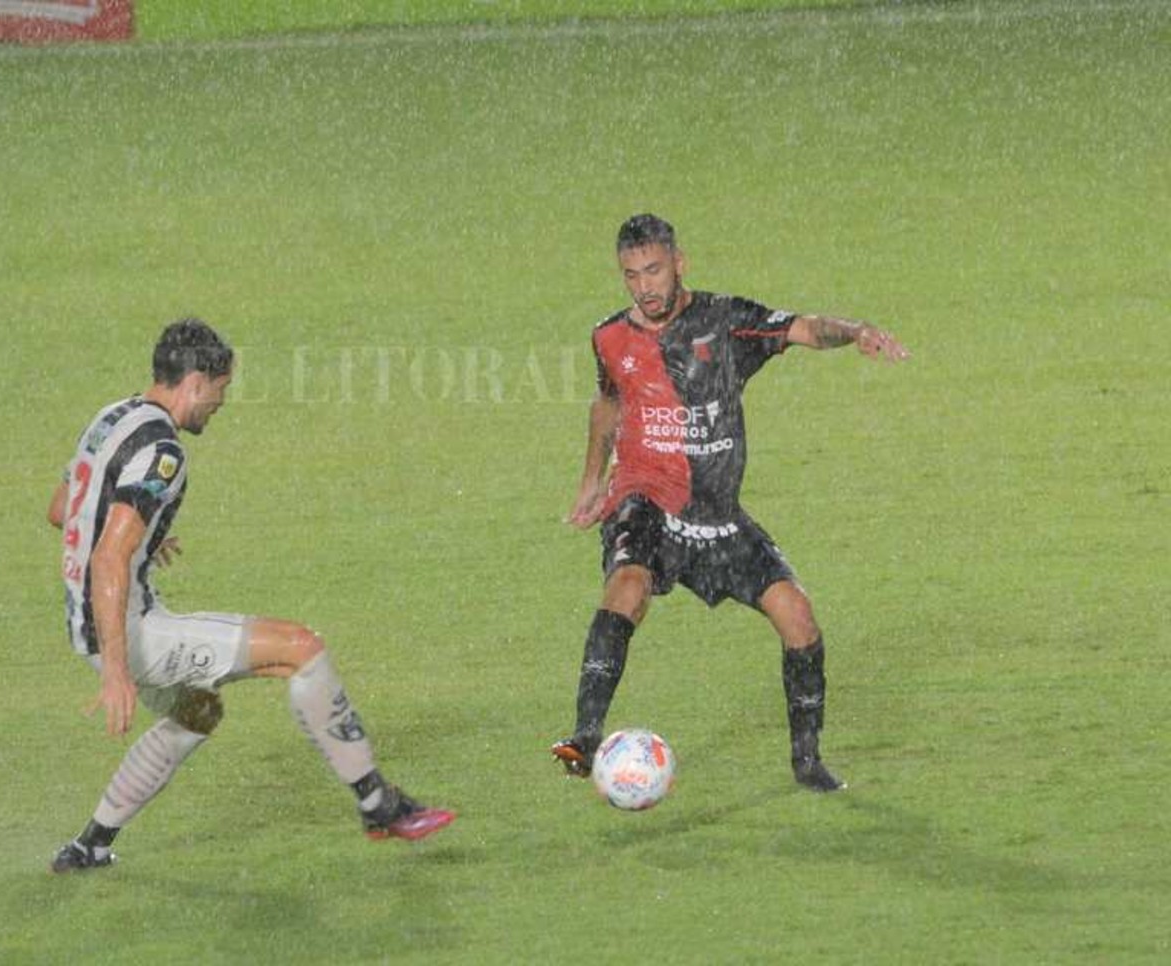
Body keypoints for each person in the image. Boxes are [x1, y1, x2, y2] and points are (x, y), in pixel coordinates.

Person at [48, 318, 453, 873]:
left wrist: (144, 539)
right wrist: (117, 669)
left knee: (199, 712)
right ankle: (377, 802)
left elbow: (62, 511)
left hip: (87, 623)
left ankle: (88, 846)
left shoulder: (110, 418)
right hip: (127, 630)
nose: (221, 403)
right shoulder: (163, 450)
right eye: (220, 390)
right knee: (301, 648)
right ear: (195, 381)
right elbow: (109, 558)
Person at [552, 214, 910, 792]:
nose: (645, 287)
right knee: (628, 587)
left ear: (679, 263)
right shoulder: (609, 337)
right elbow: (607, 402)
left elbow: (804, 327)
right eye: (631, 276)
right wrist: (593, 479)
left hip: (715, 516)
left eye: (654, 270)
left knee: (797, 615)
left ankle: (807, 763)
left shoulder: (725, 323)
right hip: (645, 498)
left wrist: (856, 330)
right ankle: (585, 736)